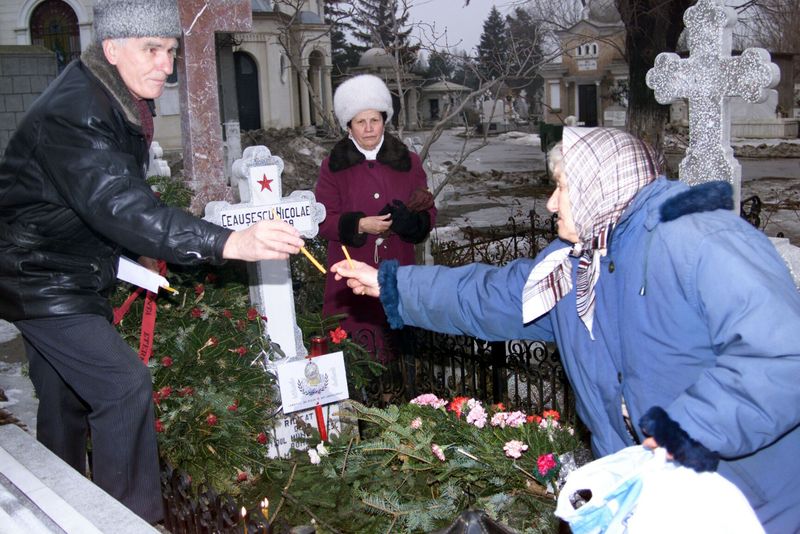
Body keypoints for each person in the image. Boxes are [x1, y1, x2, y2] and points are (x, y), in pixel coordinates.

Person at [331, 127, 800, 533]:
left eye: (561, 187)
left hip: (744, 504)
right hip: (647, 503)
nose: (551, 203)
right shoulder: (572, 267)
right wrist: (393, 285)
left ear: (601, 185)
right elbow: (486, 295)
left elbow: (781, 357)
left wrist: (688, 427)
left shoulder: (697, 239)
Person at [0, 0, 304, 524]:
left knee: (66, 401)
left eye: (170, 50)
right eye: (151, 49)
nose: (166, 65)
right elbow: (118, 203)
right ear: (112, 48)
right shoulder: (77, 112)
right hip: (43, 278)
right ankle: (130, 521)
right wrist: (229, 243)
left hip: (60, 268)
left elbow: (107, 193)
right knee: (122, 387)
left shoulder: (109, 94)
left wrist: (137, 247)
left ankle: (57, 509)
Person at [314, 74, 436, 360]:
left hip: (398, 272)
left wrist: (408, 221)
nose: (369, 128)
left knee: (399, 358)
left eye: (375, 120)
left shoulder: (408, 162)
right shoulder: (333, 167)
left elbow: (428, 214)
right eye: (361, 122)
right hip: (350, 281)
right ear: (349, 126)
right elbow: (321, 220)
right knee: (357, 358)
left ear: (384, 121)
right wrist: (359, 224)